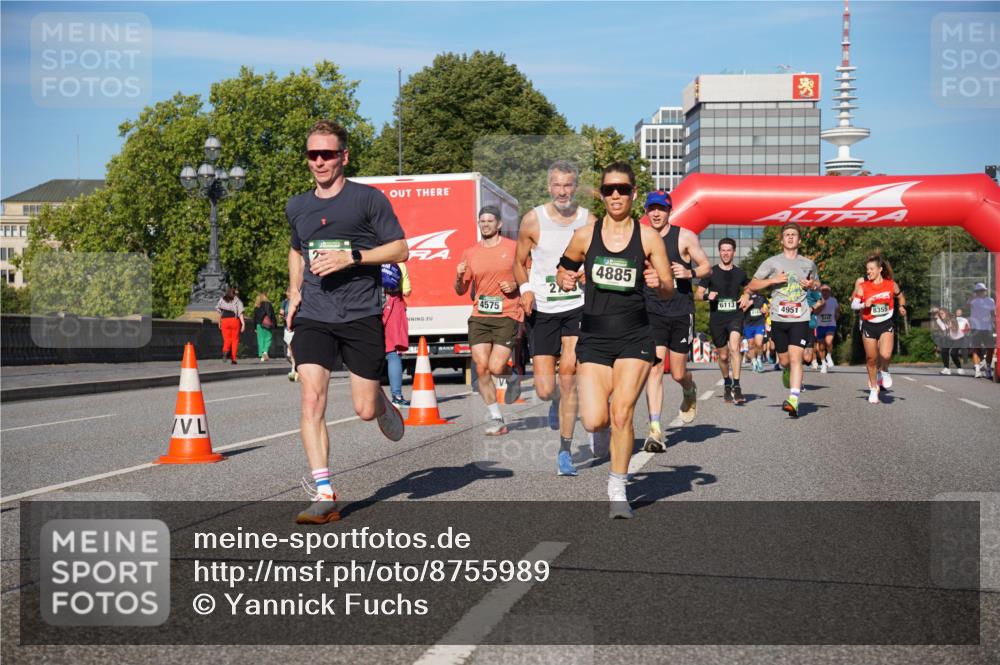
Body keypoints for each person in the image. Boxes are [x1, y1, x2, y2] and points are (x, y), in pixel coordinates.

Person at [285, 119, 409, 524]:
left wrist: (353, 257)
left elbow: (401, 248)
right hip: (315, 315)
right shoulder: (298, 206)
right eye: (312, 154)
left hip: (360, 313)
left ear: (343, 156)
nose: (319, 161)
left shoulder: (367, 200)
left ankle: (380, 402)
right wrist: (294, 293)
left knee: (363, 409)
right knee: (310, 398)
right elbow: (297, 251)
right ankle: (324, 493)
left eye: (327, 154)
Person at [556, 162, 674, 518]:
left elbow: (669, 288)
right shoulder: (584, 236)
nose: (616, 195)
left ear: (633, 193)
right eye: (609, 190)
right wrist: (564, 278)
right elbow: (564, 267)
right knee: (594, 420)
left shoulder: (648, 237)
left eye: (622, 189)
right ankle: (605, 442)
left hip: (635, 335)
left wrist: (660, 284)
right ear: (603, 195)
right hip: (593, 335)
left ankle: (617, 486)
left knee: (622, 412)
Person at [514, 160, 597, 476]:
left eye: (568, 185)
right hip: (543, 309)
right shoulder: (533, 220)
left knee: (569, 375)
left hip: (576, 305)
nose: (563, 191)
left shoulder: (589, 221)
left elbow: (599, 258)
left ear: (575, 187)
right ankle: (553, 403)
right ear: (550, 187)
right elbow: (519, 262)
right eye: (557, 185)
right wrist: (525, 288)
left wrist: (588, 274)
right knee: (547, 388)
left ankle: (565, 450)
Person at [641, 190, 711, 453]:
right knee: (655, 368)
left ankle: (689, 389)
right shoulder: (640, 237)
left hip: (680, 311)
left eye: (661, 209)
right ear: (647, 212)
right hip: (651, 310)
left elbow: (706, 267)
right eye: (651, 209)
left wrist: (689, 271)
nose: (656, 213)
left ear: (670, 210)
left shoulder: (684, 236)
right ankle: (655, 430)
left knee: (678, 373)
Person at [456, 205, 524, 435]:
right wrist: (458, 275)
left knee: (496, 366)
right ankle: (496, 417)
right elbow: (460, 289)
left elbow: (529, 275)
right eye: (482, 221)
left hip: (507, 313)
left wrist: (516, 285)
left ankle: (511, 375)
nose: (485, 225)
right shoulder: (471, 252)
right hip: (480, 315)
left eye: (489, 221)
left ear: (499, 225)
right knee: (482, 367)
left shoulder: (514, 248)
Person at [746, 222, 821, 418]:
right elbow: (752, 285)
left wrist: (813, 285)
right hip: (779, 318)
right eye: (787, 234)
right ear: (781, 240)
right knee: (784, 359)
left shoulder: (808, 263)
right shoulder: (771, 263)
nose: (790, 237)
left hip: (800, 317)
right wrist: (772, 280)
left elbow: (818, 284)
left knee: (797, 358)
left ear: (799, 240)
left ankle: (793, 400)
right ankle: (787, 372)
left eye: (793, 235)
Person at [696, 238, 751, 404]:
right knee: (723, 355)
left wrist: (746, 295)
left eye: (729, 250)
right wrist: (707, 295)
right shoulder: (710, 272)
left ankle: (737, 386)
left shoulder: (740, 273)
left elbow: (750, 286)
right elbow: (697, 294)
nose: (726, 253)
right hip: (717, 318)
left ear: (734, 252)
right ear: (719, 252)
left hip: (735, 315)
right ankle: (727, 382)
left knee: (735, 347)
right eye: (723, 250)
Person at [851, 254, 906, 404]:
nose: (868, 272)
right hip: (869, 325)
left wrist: (901, 306)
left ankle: (885, 370)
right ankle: (873, 389)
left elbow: (900, 296)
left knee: (886, 355)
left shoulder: (891, 284)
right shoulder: (863, 286)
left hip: (886, 323)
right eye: (867, 269)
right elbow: (853, 305)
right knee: (871, 359)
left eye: (871, 269)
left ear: (880, 269)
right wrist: (864, 304)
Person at [382, 262, 411, 406]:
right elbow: (406, 291)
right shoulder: (400, 264)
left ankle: (370, 396)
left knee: (369, 353)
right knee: (393, 354)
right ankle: (397, 397)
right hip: (393, 305)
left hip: (371, 305)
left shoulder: (370, 260)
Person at [967, 282, 996, 379]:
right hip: (976, 328)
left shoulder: (991, 300)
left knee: (991, 349)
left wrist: (995, 325)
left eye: (983, 290)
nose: (981, 292)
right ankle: (977, 370)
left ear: (985, 291)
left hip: (987, 328)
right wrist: (972, 296)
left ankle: (987, 368)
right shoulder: (973, 301)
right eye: (979, 291)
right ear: (976, 292)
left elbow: (992, 314)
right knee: (976, 349)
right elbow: (966, 306)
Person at [813, 285, 839, 372]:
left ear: (829, 291)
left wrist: (836, 317)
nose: (825, 292)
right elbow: (815, 313)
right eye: (823, 290)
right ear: (820, 292)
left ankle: (829, 355)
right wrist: (821, 306)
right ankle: (823, 363)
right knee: (821, 347)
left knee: (829, 341)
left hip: (831, 324)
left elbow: (837, 309)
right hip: (820, 325)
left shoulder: (833, 300)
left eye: (826, 290)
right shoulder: (818, 300)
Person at [216, 287, 245, 364]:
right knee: (235, 340)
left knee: (227, 339)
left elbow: (220, 312)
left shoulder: (222, 300)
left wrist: (219, 322)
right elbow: (240, 313)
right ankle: (233, 359)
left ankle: (225, 351)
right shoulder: (238, 301)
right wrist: (243, 324)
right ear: (234, 293)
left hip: (224, 321)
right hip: (234, 320)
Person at [743, 292, 769, 373]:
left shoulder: (762, 296)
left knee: (759, 344)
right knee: (751, 344)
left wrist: (766, 310)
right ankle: (754, 363)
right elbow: (741, 310)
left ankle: (759, 360)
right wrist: (748, 304)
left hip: (759, 323)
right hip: (748, 324)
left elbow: (769, 306)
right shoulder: (745, 296)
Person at [933, 308, 965, 375]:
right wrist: (938, 319)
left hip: (958, 338)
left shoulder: (952, 319)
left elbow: (949, 328)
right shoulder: (943, 321)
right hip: (950, 338)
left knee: (953, 353)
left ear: (946, 313)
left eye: (942, 313)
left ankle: (960, 368)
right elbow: (943, 328)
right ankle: (946, 368)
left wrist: (939, 320)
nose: (941, 315)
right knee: (944, 351)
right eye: (940, 314)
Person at [252, 292, 277, 362]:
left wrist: (254, 327)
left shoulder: (257, 306)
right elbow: (272, 315)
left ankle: (262, 355)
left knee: (260, 340)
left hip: (259, 325)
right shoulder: (268, 305)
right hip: (267, 324)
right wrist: (274, 324)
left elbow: (254, 318)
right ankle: (265, 352)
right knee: (268, 338)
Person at [280, 291, 298, 381]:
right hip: (288, 328)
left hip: (297, 327)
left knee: (295, 349)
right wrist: (284, 317)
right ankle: (294, 367)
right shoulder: (285, 302)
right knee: (289, 352)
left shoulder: (299, 301)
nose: (290, 294)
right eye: (288, 292)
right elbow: (281, 313)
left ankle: (295, 369)